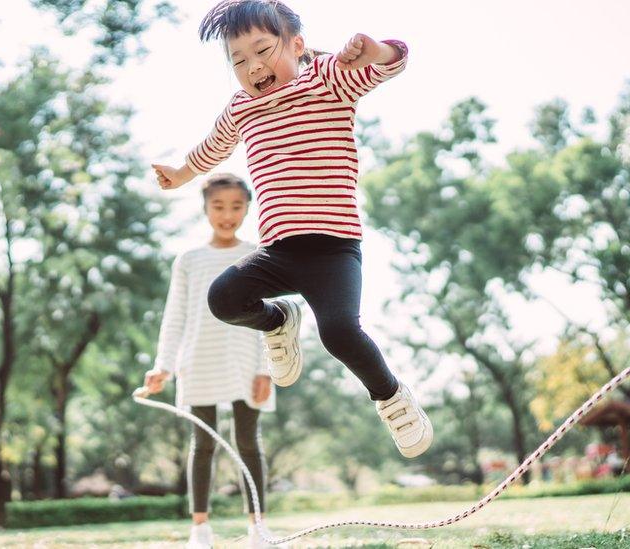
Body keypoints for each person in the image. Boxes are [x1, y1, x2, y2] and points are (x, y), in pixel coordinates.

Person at [151, 0, 432, 460]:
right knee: (224, 298)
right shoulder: (242, 108)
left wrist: (373, 50)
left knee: (339, 331)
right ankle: (279, 320)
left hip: (334, 250)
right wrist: (182, 174)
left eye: (262, 50)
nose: (253, 66)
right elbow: (214, 146)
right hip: (279, 250)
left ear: (296, 45)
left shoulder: (326, 78)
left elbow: (393, 62)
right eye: (238, 60)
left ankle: (392, 397)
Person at [143, 173, 275, 549]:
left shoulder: (258, 254)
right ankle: (200, 529)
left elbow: (274, 313)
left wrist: (267, 367)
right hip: (199, 358)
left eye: (236, 206)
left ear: (249, 207)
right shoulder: (189, 259)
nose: (227, 214)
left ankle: (257, 528)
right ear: (205, 208)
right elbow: (176, 316)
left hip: (246, 358)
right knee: (203, 442)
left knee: (249, 441)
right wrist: (163, 366)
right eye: (218, 206)